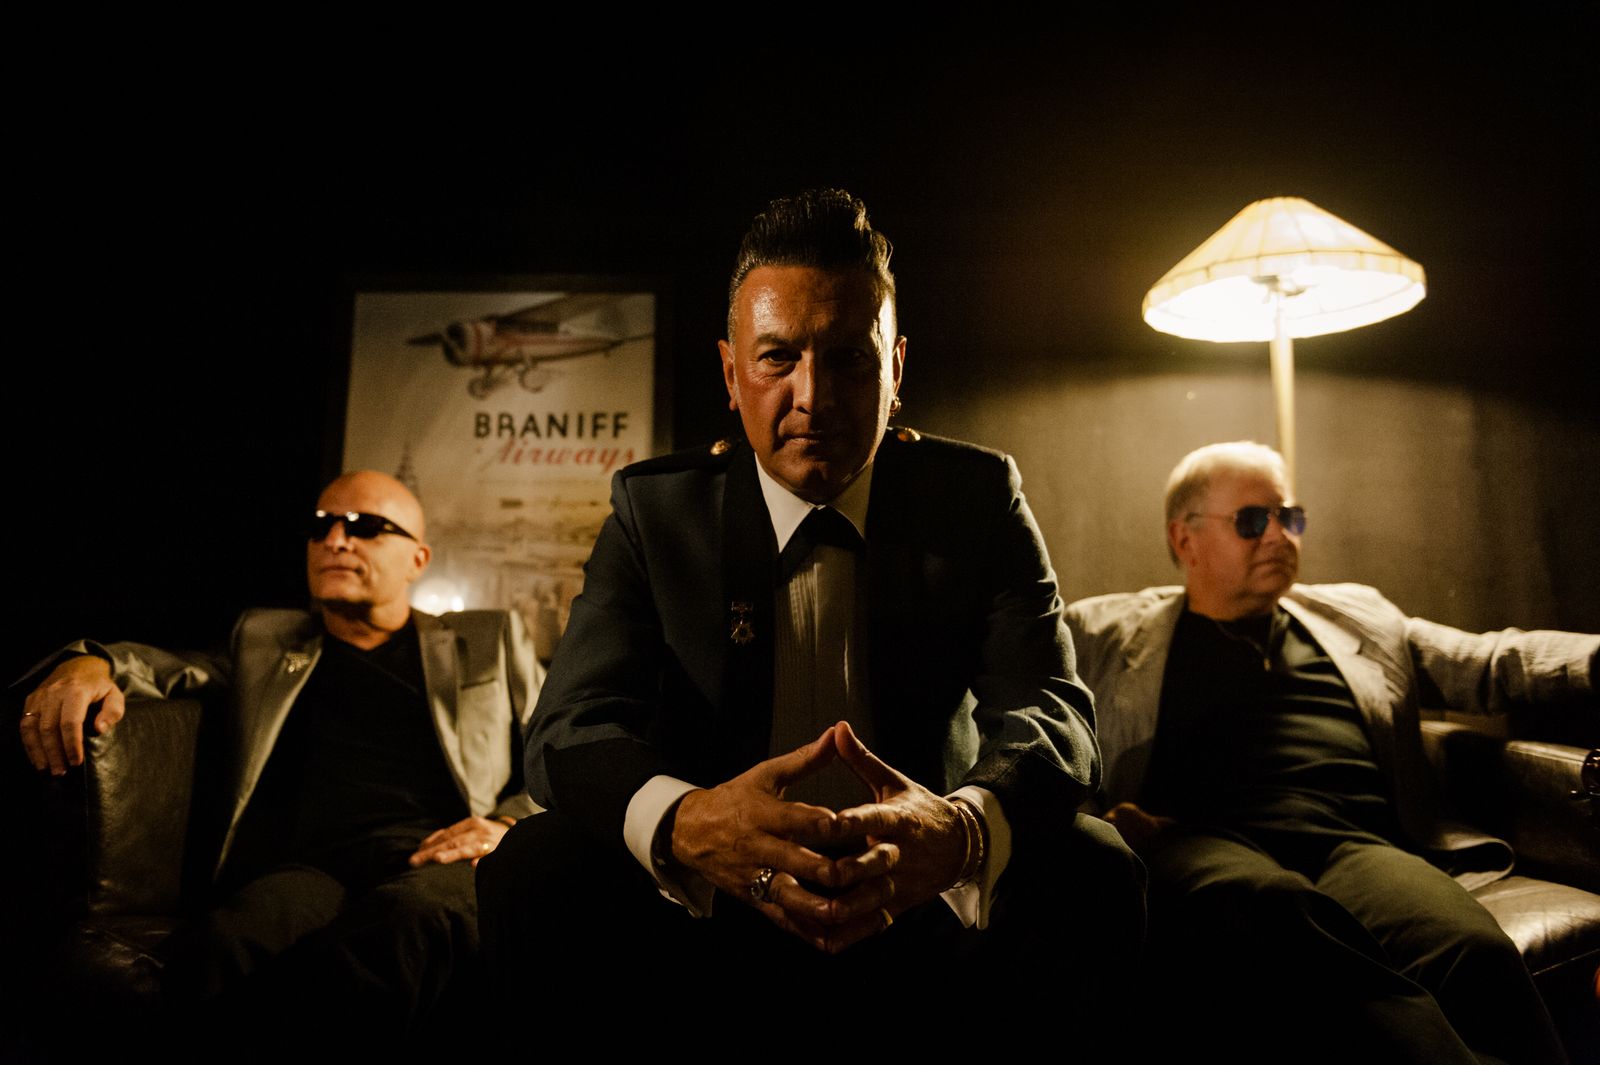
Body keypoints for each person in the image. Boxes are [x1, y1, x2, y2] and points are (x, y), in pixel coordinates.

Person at [478, 189, 1144, 1023]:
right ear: (732, 373)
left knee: (1096, 863)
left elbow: (1053, 711)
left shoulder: (977, 499)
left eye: (850, 359)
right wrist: (687, 820)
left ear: (896, 372)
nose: (813, 395)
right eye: (777, 358)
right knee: (531, 865)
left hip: (921, 889)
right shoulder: (657, 512)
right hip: (715, 895)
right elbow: (569, 728)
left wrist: (962, 831)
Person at [1065, 440, 1597, 1065]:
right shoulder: (1102, 633)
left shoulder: (1356, 615)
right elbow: (1025, 700)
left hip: (1355, 845)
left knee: (1473, 950)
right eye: (1252, 521)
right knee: (1272, 911)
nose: (1278, 536)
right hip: (1205, 842)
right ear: (1185, 539)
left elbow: (1486, 663)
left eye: (1288, 517)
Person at [17, 470, 541, 1052]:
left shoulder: (488, 638)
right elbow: (164, 668)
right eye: (321, 527)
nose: (335, 540)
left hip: (435, 856)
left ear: (418, 559)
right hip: (308, 869)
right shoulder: (266, 639)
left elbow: (559, 749)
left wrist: (508, 824)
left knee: (411, 921)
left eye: (366, 527)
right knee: (226, 945)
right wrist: (88, 662)